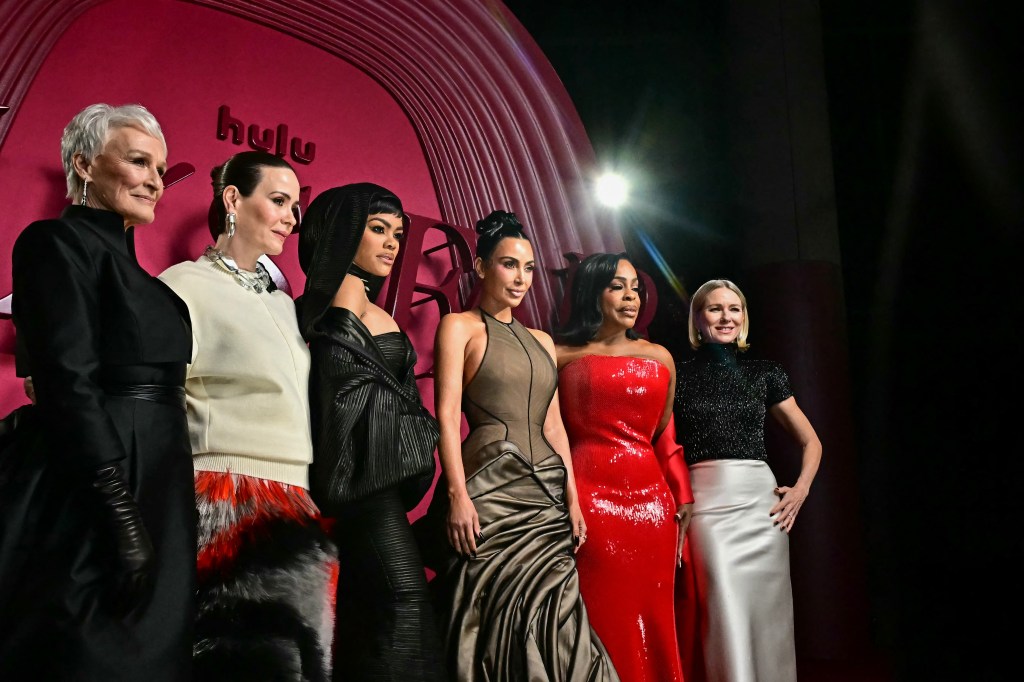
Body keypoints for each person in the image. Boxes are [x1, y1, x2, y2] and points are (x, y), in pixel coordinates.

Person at [0, 103, 195, 680]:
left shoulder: (144, 279)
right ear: (84, 165)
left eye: (160, 168)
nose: (155, 180)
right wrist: (116, 506)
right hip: (98, 480)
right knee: (91, 651)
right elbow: (65, 377)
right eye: (138, 162)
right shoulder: (53, 242)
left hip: (161, 478)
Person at [418, 210, 619, 681]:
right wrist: (457, 496)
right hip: (488, 495)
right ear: (483, 267)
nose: (522, 278)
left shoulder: (544, 342)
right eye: (509, 264)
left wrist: (572, 497)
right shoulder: (459, 327)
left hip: (546, 501)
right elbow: (446, 416)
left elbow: (555, 428)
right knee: (488, 622)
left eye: (529, 268)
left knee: (561, 624)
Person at [159, 151, 335, 680]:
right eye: (278, 201)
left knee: (304, 665)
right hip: (225, 501)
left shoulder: (284, 304)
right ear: (233, 199)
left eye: (295, 206)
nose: (290, 217)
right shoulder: (182, 285)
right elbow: (163, 396)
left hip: (296, 503)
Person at [296, 183, 444, 681]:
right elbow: (335, 395)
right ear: (342, 234)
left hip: (384, 492)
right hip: (355, 495)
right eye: (377, 230)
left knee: (387, 619)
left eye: (398, 234)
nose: (392, 244)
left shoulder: (370, 312)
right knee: (400, 612)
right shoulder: (325, 309)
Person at [674, 279, 822, 682]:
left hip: (761, 508)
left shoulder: (766, 372)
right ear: (698, 320)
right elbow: (662, 446)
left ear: (744, 316)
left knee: (767, 621)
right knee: (724, 612)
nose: (726, 318)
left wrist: (801, 489)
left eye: (734, 308)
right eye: (715, 309)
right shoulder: (676, 374)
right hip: (705, 504)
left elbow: (812, 442)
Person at [555, 253, 694, 682]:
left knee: (652, 617)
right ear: (591, 292)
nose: (631, 295)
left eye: (635, 287)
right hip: (588, 501)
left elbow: (662, 435)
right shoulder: (559, 355)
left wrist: (681, 496)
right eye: (617, 286)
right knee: (601, 615)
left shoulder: (661, 358)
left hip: (652, 509)